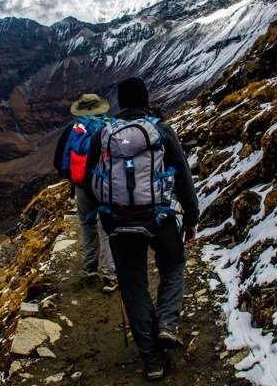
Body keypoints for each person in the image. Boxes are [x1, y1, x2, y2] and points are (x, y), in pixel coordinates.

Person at [83, 77, 199, 381]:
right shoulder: (161, 132)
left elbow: (89, 182)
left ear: (120, 103)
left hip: (119, 223)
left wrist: (107, 217)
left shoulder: (103, 135)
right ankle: (166, 324)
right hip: (158, 218)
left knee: (134, 287)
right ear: (146, 99)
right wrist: (190, 217)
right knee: (173, 263)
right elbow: (183, 176)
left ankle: (152, 362)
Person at [53, 93, 118, 293]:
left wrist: (74, 178)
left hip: (82, 186)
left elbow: (58, 160)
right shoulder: (110, 127)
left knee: (86, 222)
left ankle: (90, 266)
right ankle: (110, 275)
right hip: (105, 186)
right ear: (101, 109)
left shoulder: (73, 130)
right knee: (107, 226)